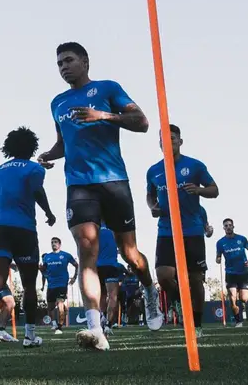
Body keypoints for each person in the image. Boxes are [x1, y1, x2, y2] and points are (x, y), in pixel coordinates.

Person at [37, 42, 163, 352]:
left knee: (130, 253)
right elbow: (64, 144)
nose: (63, 67)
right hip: (78, 186)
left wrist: (103, 115)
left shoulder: (108, 88)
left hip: (113, 181)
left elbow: (142, 123)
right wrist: (49, 156)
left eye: (68, 60)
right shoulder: (58, 102)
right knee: (86, 249)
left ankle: (149, 289)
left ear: (85, 61)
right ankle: (95, 329)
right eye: (58, 63)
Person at [0, 126, 56, 348]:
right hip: (24, 230)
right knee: (29, 285)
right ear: (32, 147)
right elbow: (38, 191)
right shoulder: (34, 169)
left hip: (0, 229)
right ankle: (29, 336)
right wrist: (49, 212)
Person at [146, 124, 219, 338]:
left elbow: (215, 190)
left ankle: (196, 325)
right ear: (160, 143)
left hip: (192, 230)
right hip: (166, 230)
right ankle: (179, 303)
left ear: (180, 141)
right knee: (163, 276)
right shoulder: (154, 170)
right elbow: (150, 196)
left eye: (173, 138)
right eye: (164, 139)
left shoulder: (195, 166)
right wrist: (153, 207)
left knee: (196, 280)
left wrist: (199, 190)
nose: (168, 143)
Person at [216, 218, 248, 327]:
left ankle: (241, 302)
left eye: (230, 225)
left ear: (233, 226)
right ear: (223, 228)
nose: (228, 227)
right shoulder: (220, 243)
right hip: (230, 273)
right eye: (226, 225)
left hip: (243, 272)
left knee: (244, 298)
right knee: (232, 298)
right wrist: (218, 260)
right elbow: (218, 256)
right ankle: (238, 321)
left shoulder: (241, 239)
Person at [39, 237, 78, 334]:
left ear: (60, 244)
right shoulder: (47, 257)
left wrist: (74, 277)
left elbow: (77, 265)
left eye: (55, 242)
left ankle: (59, 327)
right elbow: (44, 270)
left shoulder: (66, 255)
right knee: (50, 307)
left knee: (60, 304)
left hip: (61, 284)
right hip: (51, 286)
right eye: (52, 242)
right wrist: (40, 268)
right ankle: (54, 324)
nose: (53, 244)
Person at [97, 224, 124, 336]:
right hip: (111, 265)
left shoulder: (94, 227)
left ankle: (103, 319)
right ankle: (108, 324)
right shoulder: (116, 227)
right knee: (113, 296)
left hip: (97, 266)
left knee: (102, 295)